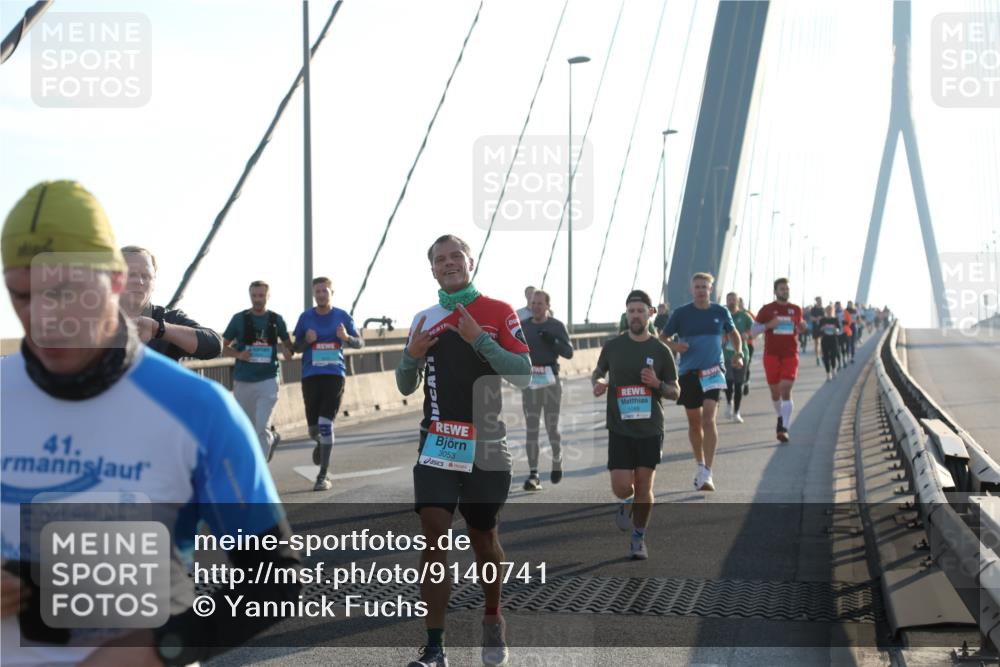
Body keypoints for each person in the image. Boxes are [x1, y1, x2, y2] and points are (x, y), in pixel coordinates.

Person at [0, 181, 300, 667]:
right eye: (22, 295)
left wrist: (158, 648)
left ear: (115, 283)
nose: (45, 318)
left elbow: (275, 581)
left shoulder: (198, 409)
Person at [395, 234, 531, 667]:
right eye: (440, 259)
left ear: (471, 262)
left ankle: (493, 617)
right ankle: (435, 646)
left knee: (483, 539)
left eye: (457, 256)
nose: (449, 263)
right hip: (436, 442)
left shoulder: (497, 312)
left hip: (487, 448)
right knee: (434, 532)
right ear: (432, 269)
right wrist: (411, 355)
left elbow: (524, 373)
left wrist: (479, 339)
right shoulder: (425, 318)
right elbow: (403, 384)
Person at [592, 290, 678, 560]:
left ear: (650, 313)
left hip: (650, 428)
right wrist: (599, 382)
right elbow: (598, 371)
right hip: (620, 427)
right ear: (626, 315)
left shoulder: (660, 350)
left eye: (641, 311)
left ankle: (638, 537)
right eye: (631, 311)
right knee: (621, 487)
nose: (636, 316)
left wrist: (657, 384)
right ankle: (625, 502)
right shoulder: (613, 347)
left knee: (643, 486)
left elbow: (675, 391)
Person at [661, 273, 743, 491]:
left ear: (711, 290)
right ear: (691, 289)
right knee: (694, 423)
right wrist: (676, 346)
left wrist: (739, 353)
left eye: (704, 287)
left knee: (709, 419)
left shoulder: (720, 311)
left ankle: (707, 471)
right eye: (697, 286)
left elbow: (734, 334)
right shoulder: (681, 314)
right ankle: (699, 464)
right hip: (689, 373)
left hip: (714, 371)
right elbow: (662, 337)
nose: (700, 290)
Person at [292, 277, 363, 491]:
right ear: (314, 294)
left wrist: (347, 337)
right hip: (311, 376)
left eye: (325, 290)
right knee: (314, 429)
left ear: (332, 292)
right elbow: (296, 347)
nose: (321, 294)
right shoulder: (305, 318)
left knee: (325, 423)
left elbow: (360, 344)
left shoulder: (342, 316)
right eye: (318, 291)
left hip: (334, 375)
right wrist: (308, 341)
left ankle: (322, 476)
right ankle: (319, 443)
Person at [222, 280, 294, 460]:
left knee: (261, 427)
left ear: (268, 296)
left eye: (261, 296)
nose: (257, 299)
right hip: (243, 379)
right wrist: (239, 354)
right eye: (254, 295)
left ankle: (260, 473)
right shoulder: (239, 319)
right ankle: (270, 441)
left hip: (268, 379)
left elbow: (289, 346)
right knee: (246, 427)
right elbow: (222, 347)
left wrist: (288, 351)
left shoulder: (276, 320)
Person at [120, 245, 223, 361]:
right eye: (130, 274)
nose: (139, 281)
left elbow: (214, 345)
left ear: (154, 282)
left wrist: (159, 329)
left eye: (146, 276)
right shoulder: (98, 320)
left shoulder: (168, 318)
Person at [519, 289, 573, 491]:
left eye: (540, 304)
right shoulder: (523, 327)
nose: (535, 307)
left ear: (548, 306)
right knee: (531, 428)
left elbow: (569, 353)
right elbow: (515, 351)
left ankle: (557, 458)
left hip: (551, 380)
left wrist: (553, 342)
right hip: (531, 382)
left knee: (552, 427)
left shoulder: (556, 326)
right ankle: (534, 474)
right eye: (533, 303)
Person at [750, 278, 807, 443]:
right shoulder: (767, 309)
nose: (785, 291)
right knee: (775, 392)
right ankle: (781, 417)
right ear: (776, 291)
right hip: (771, 355)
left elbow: (800, 326)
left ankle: (784, 427)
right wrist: (769, 325)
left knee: (786, 388)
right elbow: (753, 332)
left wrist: (803, 327)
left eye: (787, 288)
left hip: (790, 354)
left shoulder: (796, 309)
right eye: (782, 289)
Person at [723, 291, 752, 423]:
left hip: (741, 354)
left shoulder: (744, 316)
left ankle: (737, 412)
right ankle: (729, 402)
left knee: (739, 384)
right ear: (726, 301)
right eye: (729, 299)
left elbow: (754, 329)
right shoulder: (722, 315)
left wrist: (747, 333)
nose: (731, 301)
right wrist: (720, 337)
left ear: (738, 301)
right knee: (728, 382)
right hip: (726, 355)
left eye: (733, 299)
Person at [818, 305, 841, 380]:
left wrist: (836, 330)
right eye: (828, 310)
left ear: (833, 311)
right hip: (825, 339)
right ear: (826, 311)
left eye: (830, 310)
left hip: (834, 339)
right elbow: (819, 330)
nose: (829, 312)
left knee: (833, 355)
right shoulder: (822, 320)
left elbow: (839, 330)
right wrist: (822, 328)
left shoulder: (835, 319)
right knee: (826, 357)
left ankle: (834, 368)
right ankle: (828, 373)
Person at [808, 296, 824, 366]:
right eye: (818, 300)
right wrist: (817, 319)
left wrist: (822, 318)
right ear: (816, 301)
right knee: (817, 343)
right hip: (815, 327)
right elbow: (811, 318)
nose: (819, 302)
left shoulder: (823, 309)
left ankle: (822, 356)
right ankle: (817, 357)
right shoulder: (813, 309)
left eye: (820, 300)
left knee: (823, 343)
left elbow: (825, 317)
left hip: (822, 328)